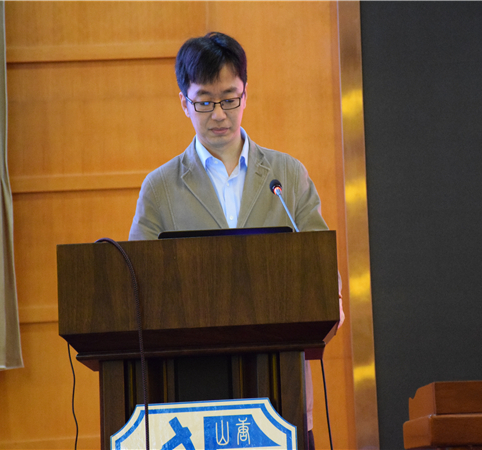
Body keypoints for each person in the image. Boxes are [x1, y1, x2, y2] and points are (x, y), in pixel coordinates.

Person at [129, 31, 344, 450]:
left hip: (279, 384)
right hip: (190, 392)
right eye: (204, 102)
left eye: (229, 99)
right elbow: (137, 283)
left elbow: (320, 263)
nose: (219, 115)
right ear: (184, 102)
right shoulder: (160, 187)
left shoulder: (287, 175)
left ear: (246, 95)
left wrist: (329, 299)